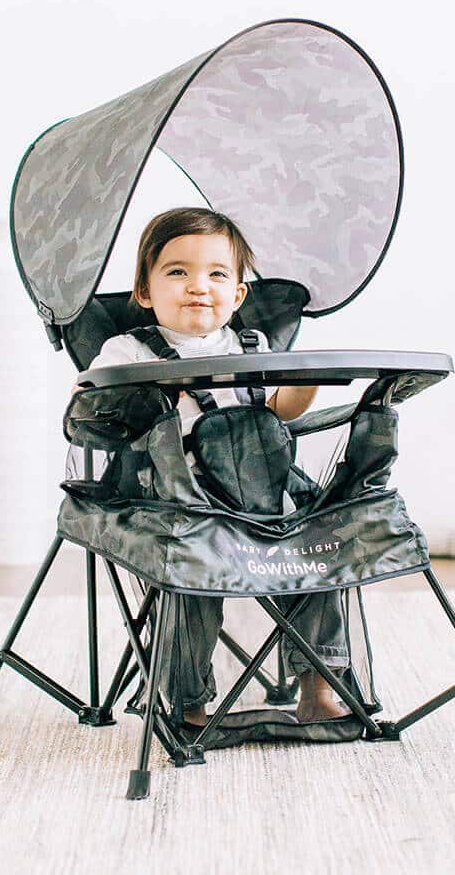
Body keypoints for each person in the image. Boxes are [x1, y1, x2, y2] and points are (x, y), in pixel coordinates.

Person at [87, 206, 349, 725]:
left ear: (238, 294)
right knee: (191, 574)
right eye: (177, 272)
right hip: (178, 496)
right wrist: (131, 389)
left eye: (217, 274)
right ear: (145, 291)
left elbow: (275, 416)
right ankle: (189, 702)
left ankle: (319, 685)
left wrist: (303, 385)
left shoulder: (252, 347)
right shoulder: (127, 349)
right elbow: (92, 405)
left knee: (316, 552)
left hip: (262, 495)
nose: (198, 286)